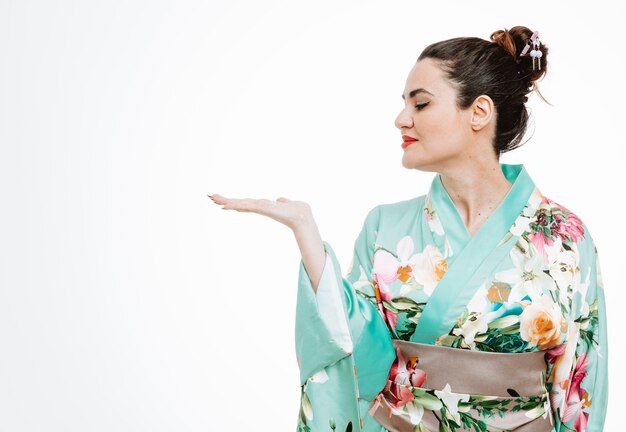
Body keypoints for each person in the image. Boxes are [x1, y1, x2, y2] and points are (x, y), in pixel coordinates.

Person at [209, 25, 608, 432]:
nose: (402, 119)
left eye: (420, 104)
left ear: (479, 111)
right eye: (405, 105)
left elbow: (580, 382)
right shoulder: (385, 227)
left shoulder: (563, 235)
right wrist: (309, 240)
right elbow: (359, 357)